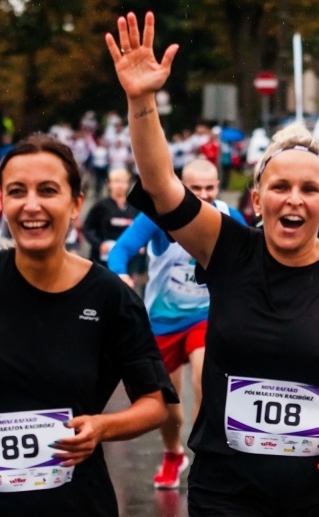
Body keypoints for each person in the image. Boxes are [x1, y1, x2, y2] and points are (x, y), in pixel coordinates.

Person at [106, 11, 319, 515]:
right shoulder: (227, 248)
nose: (294, 199)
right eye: (280, 187)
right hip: (227, 491)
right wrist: (141, 101)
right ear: (257, 199)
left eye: (310, 189)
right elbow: (160, 185)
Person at [0, 132, 177, 515]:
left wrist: (102, 427)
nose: (31, 205)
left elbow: (154, 404)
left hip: (73, 503)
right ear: (2, 201)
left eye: (47, 190)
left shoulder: (111, 297)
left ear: (76, 204)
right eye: (17, 192)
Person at [107, 159, 246, 489]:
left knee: (203, 378)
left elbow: (253, 254)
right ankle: (173, 453)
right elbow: (120, 250)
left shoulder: (228, 216)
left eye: (210, 188)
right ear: (182, 187)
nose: (203, 195)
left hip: (205, 317)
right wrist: (120, 275)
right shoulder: (158, 215)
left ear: (218, 186)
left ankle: (203, 457)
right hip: (162, 320)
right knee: (167, 403)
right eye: (195, 189)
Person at [82, 167, 140, 268]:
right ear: (109, 184)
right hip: (102, 259)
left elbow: (140, 231)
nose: (120, 186)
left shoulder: (134, 208)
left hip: (126, 259)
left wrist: (139, 245)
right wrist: (99, 244)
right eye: (116, 182)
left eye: (123, 182)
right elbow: (87, 228)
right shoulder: (101, 206)